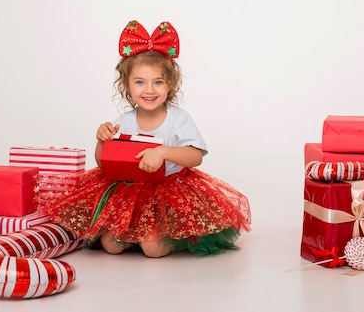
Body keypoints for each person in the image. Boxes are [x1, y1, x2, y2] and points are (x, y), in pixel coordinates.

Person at [38, 20, 251, 258]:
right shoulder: (124, 120)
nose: (149, 90)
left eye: (158, 82)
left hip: (168, 192)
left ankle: (167, 237)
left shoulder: (178, 118)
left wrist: (163, 152)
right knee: (111, 245)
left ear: (169, 85)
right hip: (130, 192)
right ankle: (137, 235)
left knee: (152, 250)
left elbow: (195, 156)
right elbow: (102, 163)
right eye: (140, 82)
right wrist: (102, 140)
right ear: (127, 86)